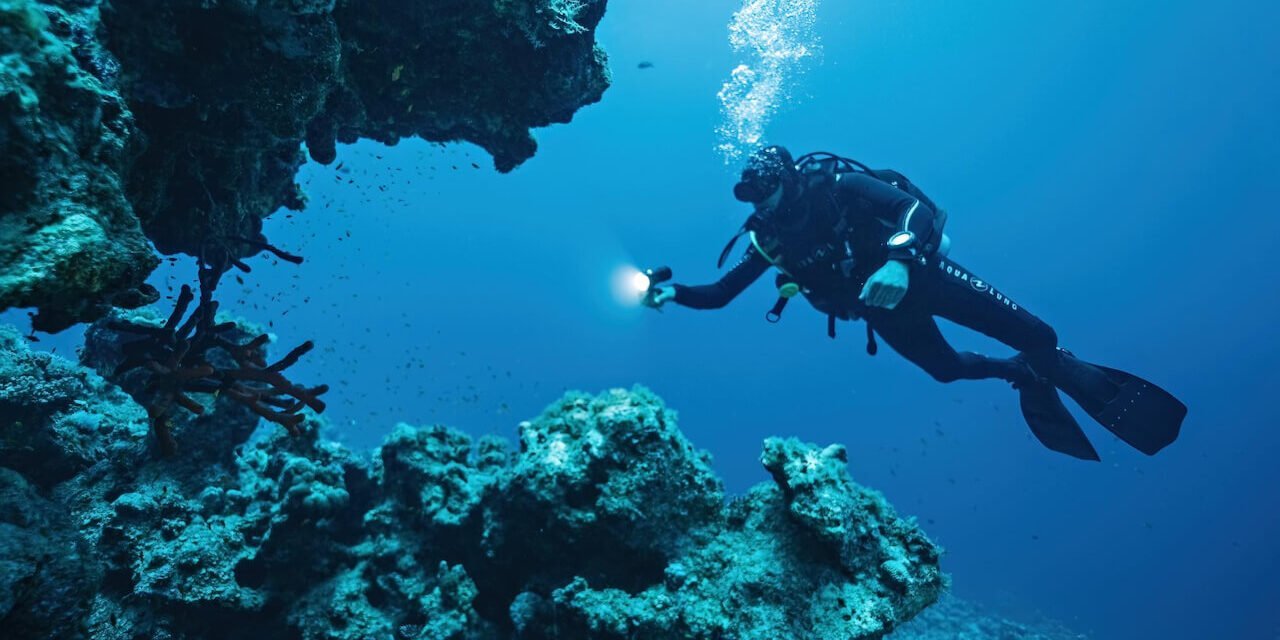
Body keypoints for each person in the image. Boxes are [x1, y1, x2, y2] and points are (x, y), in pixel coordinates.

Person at [643, 146, 1185, 459]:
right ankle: (1021, 374)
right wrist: (673, 292)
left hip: (920, 275)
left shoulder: (839, 184)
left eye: (766, 190)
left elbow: (914, 213)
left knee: (1039, 335)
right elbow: (719, 296)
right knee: (947, 371)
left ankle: (1062, 370)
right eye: (751, 196)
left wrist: (898, 262)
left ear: (787, 178)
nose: (762, 204)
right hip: (879, 309)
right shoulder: (768, 237)